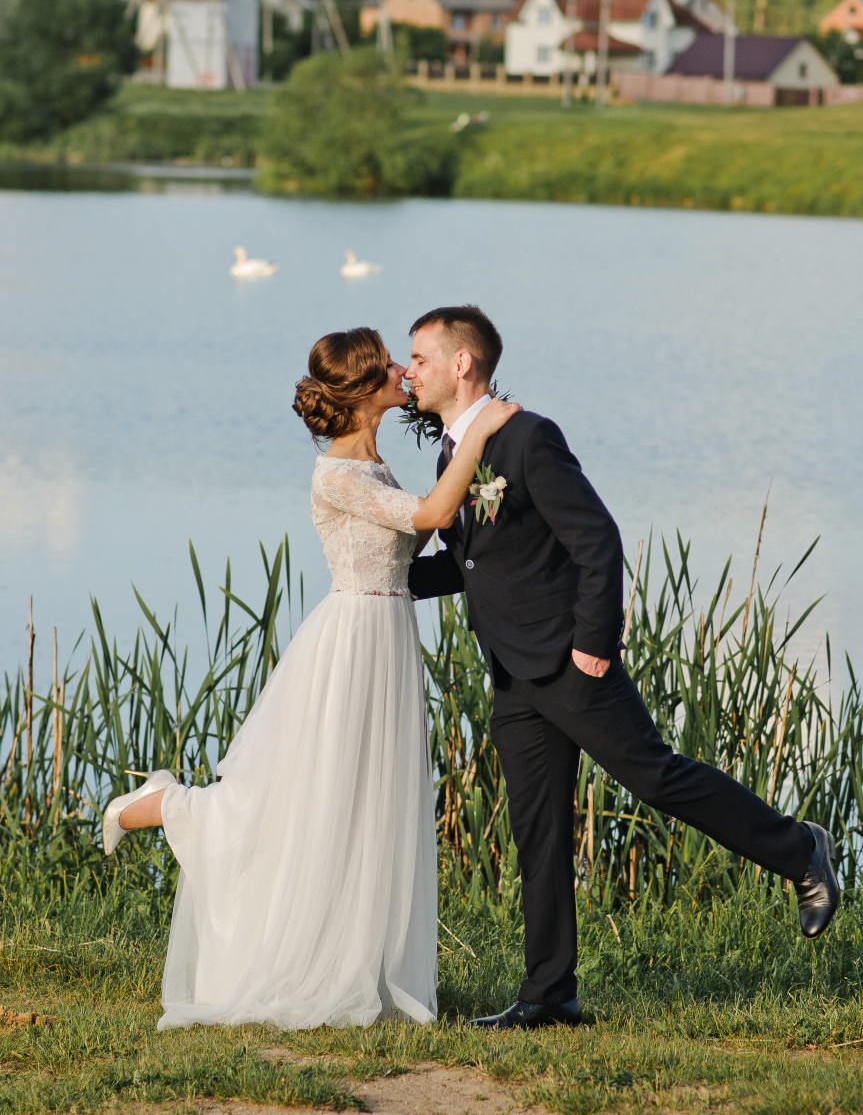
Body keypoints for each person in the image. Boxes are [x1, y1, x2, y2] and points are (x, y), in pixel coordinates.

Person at [405, 304, 840, 1031]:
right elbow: (476, 558)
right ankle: (549, 995)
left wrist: (594, 642)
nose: (406, 370)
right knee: (536, 828)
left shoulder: (527, 437)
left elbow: (595, 538)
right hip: (512, 672)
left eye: (418, 357)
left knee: (656, 777)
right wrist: (385, 582)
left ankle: (798, 849)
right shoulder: (452, 451)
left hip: (568, 659)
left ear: (461, 363)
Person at [102, 326, 520, 1031]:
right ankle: (161, 803)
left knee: (362, 805)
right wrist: (480, 438)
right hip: (349, 643)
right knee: (299, 801)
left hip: (389, 639)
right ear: (362, 389)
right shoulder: (335, 473)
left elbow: (413, 539)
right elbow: (429, 514)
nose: (400, 370)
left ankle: (358, 961)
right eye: (389, 362)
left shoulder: (377, 468)